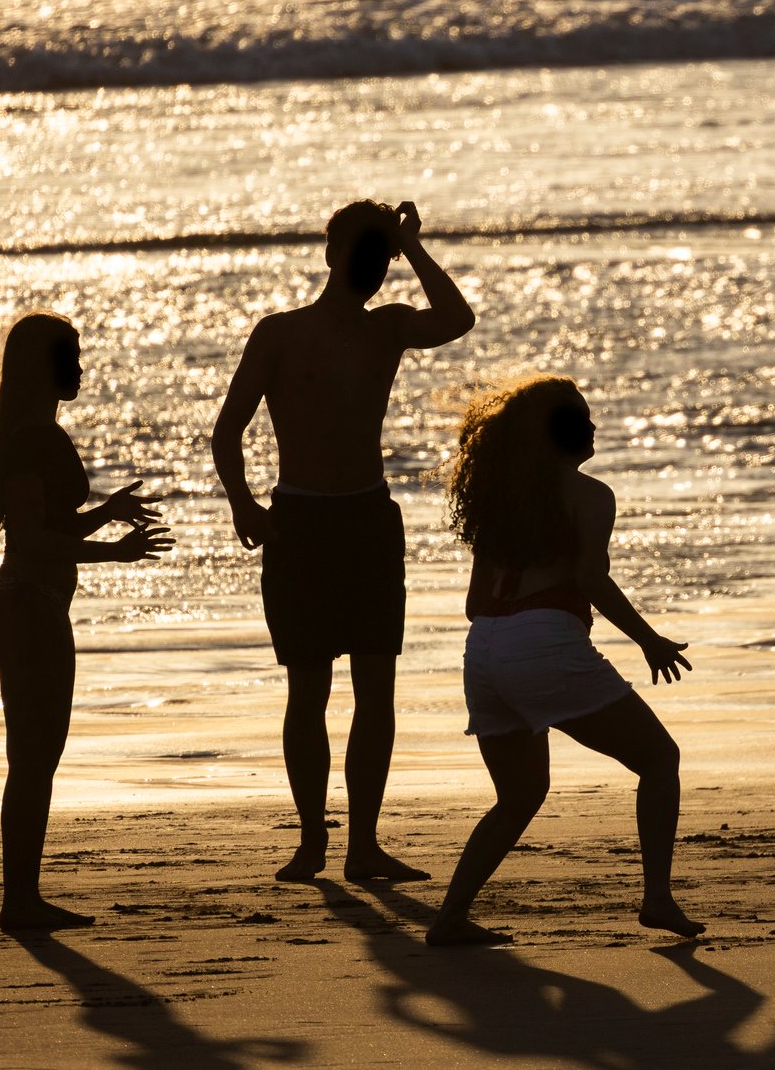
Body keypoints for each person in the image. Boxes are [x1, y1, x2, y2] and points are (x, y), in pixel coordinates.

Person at [212, 200, 474, 883]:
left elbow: (457, 318)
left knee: (375, 688)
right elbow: (227, 430)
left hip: (366, 518)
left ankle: (363, 845)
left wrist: (411, 245)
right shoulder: (280, 333)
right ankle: (311, 841)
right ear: (330, 255)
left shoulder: (387, 328)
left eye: (378, 257)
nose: (371, 266)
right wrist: (242, 502)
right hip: (298, 521)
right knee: (309, 688)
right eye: (368, 252)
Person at [427, 376, 701, 946]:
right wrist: (648, 639)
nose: (594, 426)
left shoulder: (498, 500)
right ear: (561, 434)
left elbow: (475, 601)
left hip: (483, 650)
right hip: (543, 643)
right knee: (659, 759)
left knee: (519, 796)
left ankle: (451, 917)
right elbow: (588, 578)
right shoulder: (590, 494)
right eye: (582, 418)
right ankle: (656, 898)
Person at [0, 312, 173, 931]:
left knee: (32, 759)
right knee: (33, 760)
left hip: (24, 603)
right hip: (28, 604)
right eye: (71, 358)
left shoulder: (29, 434)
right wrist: (118, 552)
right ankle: (20, 902)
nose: (81, 369)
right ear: (43, 368)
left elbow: (45, 529)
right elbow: (32, 542)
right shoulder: (35, 438)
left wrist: (106, 513)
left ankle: (21, 898)